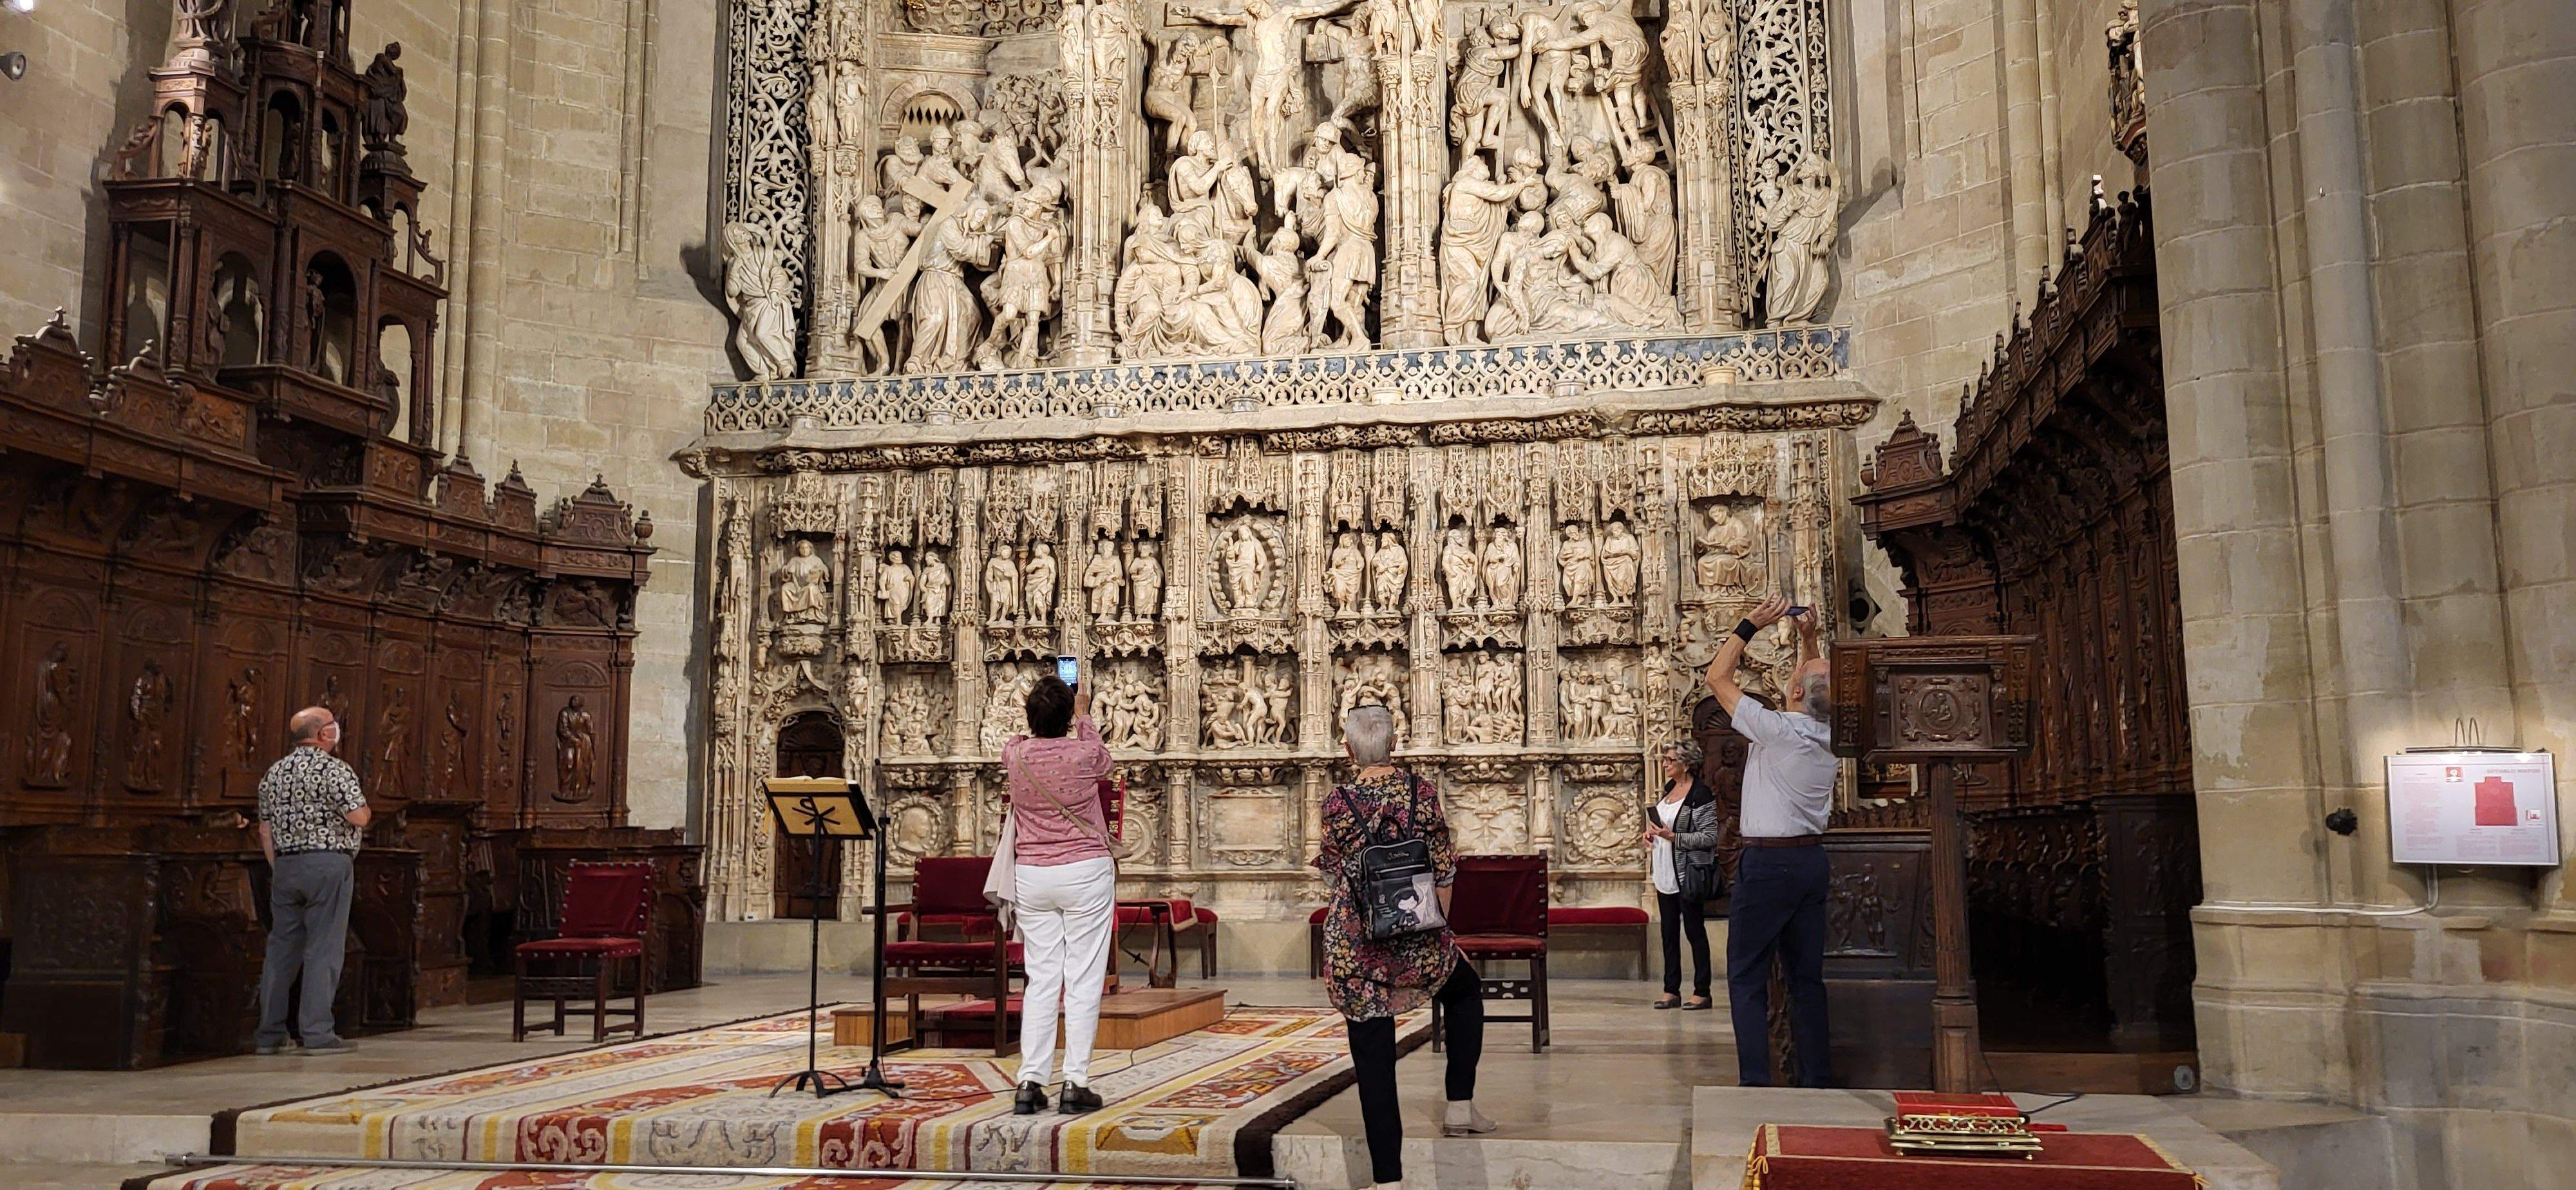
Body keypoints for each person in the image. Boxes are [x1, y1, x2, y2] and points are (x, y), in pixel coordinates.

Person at [1314, 704, 1494, 1189]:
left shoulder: (1336, 802)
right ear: (1394, 744)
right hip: (1417, 929)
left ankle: (1388, 1180)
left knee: (1373, 1052)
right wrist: (1438, 932)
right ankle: (1459, 1104)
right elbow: (1445, 869)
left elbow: (1333, 870)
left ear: (1349, 749)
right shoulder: (1421, 792)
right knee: (1465, 992)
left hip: (1357, 943)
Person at [1701, 595, 1836, 1087]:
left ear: (1795, 690)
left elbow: (1717, 679)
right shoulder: (1830, 736)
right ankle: (1816, 1080)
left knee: (1747, 976)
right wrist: (1808, 639)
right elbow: (1814, 686)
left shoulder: (1778, 732)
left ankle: (1756, 1081)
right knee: (1806, 979)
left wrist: (1747, 626)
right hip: (1811, 863)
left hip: (1769, 867)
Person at [1003, 674, 1118, 1116]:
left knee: (1042, 977)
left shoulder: (1016, 754)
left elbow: (1016, 738)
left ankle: (1030, 1082)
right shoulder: (1085, 751)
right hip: (1084, 870)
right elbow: (1105, 760)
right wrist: (1084, 715)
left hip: (1032, 873)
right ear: (1069, 716)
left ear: (1031, 716)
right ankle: (1075, 1082)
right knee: (1084, 977)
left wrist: (1042, 716)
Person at [252, 706, 372, 1055]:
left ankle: (269, 1034)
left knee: (280, 950)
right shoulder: (334, 770)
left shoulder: (274, 773)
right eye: (334, 726)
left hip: (286, 866)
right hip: (327, 864)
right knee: (323, 947)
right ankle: (317, 1033)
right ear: (323, 734)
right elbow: (359, 817)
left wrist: (280, 866)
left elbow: (264, 829)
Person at [1640, 738, 1719, 1010]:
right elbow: (1662, 825)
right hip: (1664, 869)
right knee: (1668, 932)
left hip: (1687, 872)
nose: (1665, 764)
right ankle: (1670, 989)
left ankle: (1702, 990)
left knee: (1694, 931)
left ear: (1686, 764)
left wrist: (1674, 836)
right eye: (1665, 759)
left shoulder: (1700, 794)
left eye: (1670, 760)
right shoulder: (1670, 789)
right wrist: (1650, 835)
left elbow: (1709, 837)